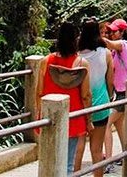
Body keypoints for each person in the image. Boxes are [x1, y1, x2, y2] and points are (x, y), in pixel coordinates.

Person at [36, 22, 93, 174]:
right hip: (73, 118)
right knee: (68, 164)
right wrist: (89, 120)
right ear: (76, 40)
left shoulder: (45, 61)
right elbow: (86, 96)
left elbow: (39, 92)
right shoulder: (82, 64)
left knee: (48, 162)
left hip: (49, 118)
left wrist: (39, 116)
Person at [76, 20, 114, 177]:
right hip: (101, 106)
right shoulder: (105, 53)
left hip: (80, 107)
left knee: (78, 149)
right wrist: (110, 95)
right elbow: (110, 80)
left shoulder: (77, 56)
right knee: (97, 149)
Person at [102, 18, 127, 168]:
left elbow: (107, 43)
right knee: (120, 124)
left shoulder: (123, 45)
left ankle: (108, 161)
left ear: (122, 32)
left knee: (106, 124)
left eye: (114, 31)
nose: (111, 34)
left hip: (125, 92)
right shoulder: (116, 49)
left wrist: (93, 35)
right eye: (110, 31)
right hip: (120, 92)